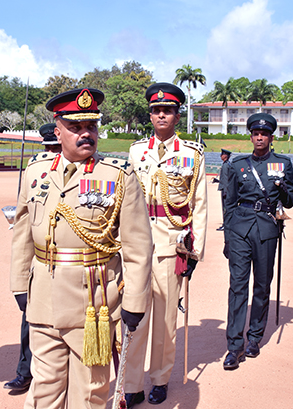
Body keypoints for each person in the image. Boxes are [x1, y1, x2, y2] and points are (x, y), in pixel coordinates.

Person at [10, 88, 153, 409]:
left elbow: (138, 245)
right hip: (43, 299)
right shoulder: (36, 172)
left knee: (91, 391)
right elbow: (22, 232)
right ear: (57, 131)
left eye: (91, 127)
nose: (86, 134)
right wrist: (20, 283)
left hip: (94, 303)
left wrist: (135, 301)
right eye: (76, 128)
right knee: (44, 387)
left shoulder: (118, 175)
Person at [122, 83, 207, 406]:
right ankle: (131, 383)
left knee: (165, 321)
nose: (161, 115)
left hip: (172, 244)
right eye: (157, 110)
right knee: (135, 315)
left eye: (168, 110)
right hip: (138, 244)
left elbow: (199, 205)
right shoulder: (135, 151)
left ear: (176, 114)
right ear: (150, 114)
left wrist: (194, 250)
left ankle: (159, 378)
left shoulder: (191, 154)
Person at [222, 113, 293, 369]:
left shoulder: (283, 163)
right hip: (240, 228)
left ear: (271, 137)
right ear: (251, 136)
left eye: (264, 134)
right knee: (237, 287)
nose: (259, 137)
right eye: (255, 134)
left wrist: (284, 189)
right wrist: (228, 236)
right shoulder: (238, 165)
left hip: (266, 229)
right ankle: (234, 346)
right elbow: (229, 202)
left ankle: (254, 337)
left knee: (262, 286)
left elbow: (290, 202)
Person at [4, 122, 62, 393]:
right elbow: (24, 226)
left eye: (55, 148)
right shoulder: (35, 170)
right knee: (31, 321)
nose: (51, 153)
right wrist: (18, 281)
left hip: (74, 264)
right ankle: (25, 372)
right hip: (41, 263)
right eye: (48, 148)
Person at [216, 149, 232, 231]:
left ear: (225, 156)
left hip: (226, 190)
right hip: (226, 189)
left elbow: (226, 179)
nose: (220, 156)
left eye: (222, 154)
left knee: (225, 208)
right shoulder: (227, 164)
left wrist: (225, 191)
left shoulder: (226, 165)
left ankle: (226, 225)